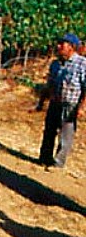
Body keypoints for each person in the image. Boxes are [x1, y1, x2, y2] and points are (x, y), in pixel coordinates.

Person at [35, 33, 86, 170]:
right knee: (49, 132)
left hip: (70, 105)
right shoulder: (56, 64)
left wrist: (82, 107)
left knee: (65, 136)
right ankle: (44, 159)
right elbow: (49, 84)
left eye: (62, 44)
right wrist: (41, 102)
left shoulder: (82, 64)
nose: (59, 47)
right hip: (55, 102)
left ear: (72, 47)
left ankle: (58, 164)